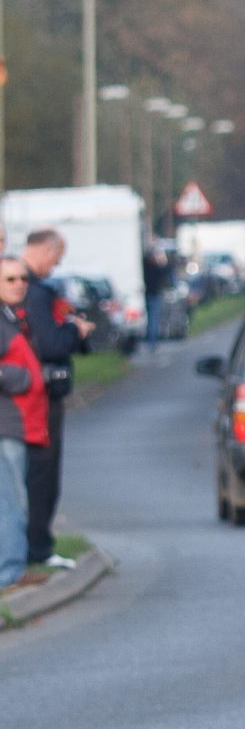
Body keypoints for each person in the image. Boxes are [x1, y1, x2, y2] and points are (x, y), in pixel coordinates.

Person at [19, 228, 88, 572]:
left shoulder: (25, 289)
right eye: (56, 259)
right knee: (42, 473)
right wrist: (74, 330)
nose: (55, 267)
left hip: (27, 393)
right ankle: (38, 547)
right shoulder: (37, 293)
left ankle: (32, 545)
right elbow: (49, 345)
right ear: (46, 251)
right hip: (40, 394)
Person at [0, 259, 45, 589]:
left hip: (18, 423)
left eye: (23, 278)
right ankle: (9, 572)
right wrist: (20, 377)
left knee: (14, 498)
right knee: (11, 501)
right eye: (10, 278)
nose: (19, 283)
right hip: (6, 424)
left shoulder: (12, 317)